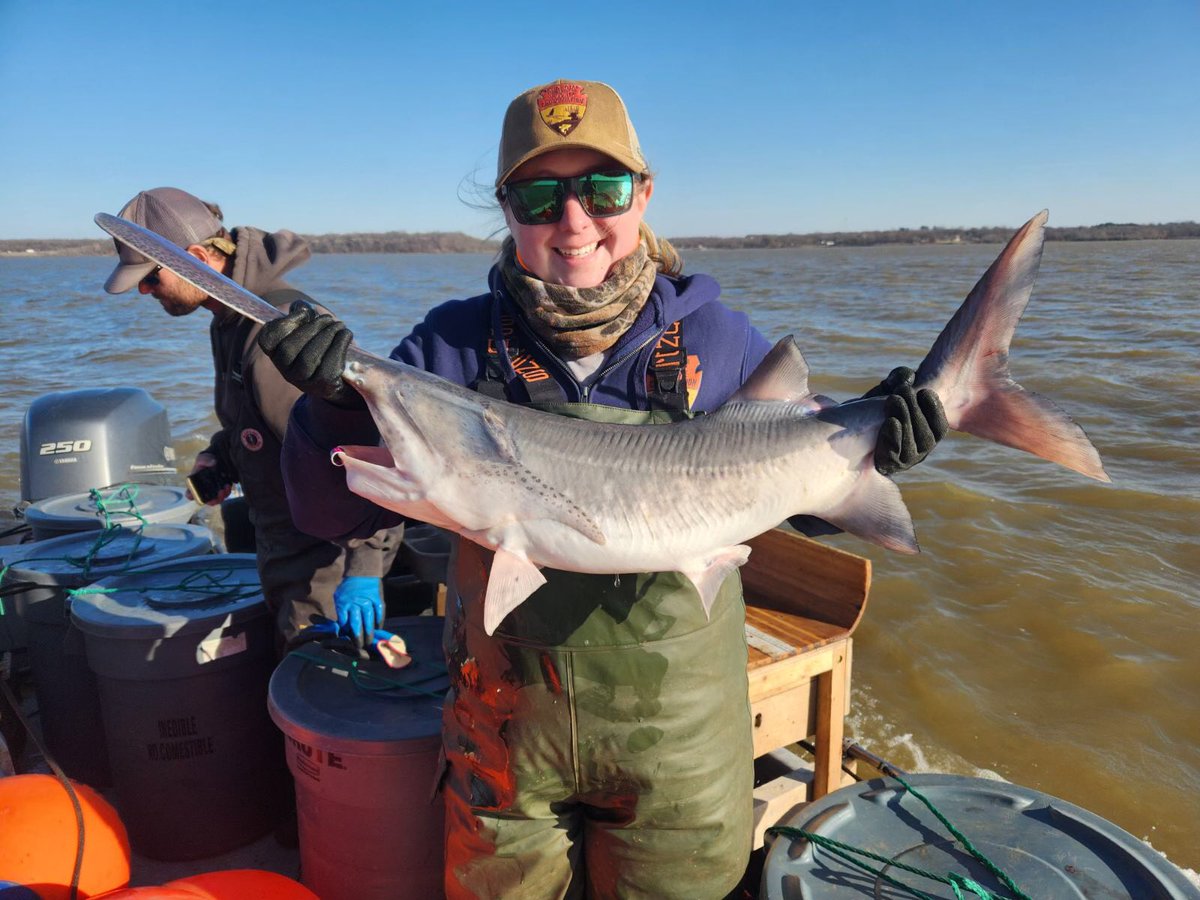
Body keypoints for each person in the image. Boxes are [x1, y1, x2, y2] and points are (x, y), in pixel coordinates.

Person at [258, 80, 947, 899]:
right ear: (507, 210)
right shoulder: (448, 345)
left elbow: (791, 499)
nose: (574, 222)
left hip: (679, 739)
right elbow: (326, 510)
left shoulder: (717, 342)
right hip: (503, 731)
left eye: (603, 189)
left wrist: (870, 454)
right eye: (541, 195)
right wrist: (332, 410)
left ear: (644, 195)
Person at [102, 187, 401, 650]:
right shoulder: (227, 316)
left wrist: (363, 572)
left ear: (197, 257)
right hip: (280, 547)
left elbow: (364, 455)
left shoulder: (273, 333)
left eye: (151, 277)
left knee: (319, 690)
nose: (143, 289)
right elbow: (261, 423)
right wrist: (221, 456)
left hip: (320, 567)